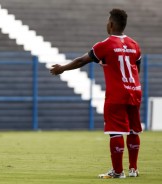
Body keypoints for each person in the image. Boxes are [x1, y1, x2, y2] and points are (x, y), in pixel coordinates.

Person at [50, 9, 142, 179]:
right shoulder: (135, 45)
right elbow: (137, 68)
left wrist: (62, 68)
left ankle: (117, 171)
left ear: (112, 24)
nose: (107, 24)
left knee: (115, 131)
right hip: (135, 91)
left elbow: (81, 61)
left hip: (117, 93)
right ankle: (133, 169)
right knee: (133, 130)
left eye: (108, 21)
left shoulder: (105, 45)